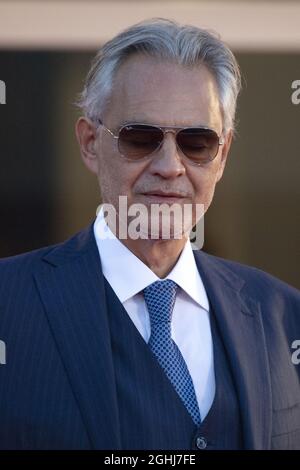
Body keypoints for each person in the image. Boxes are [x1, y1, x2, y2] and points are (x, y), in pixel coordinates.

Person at [0, 18, 299, 451]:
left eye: (197, 142)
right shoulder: (8, 303)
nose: (170, 166)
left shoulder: (283, 315)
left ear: (223, 155)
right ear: (89, 143)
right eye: (140, 138)